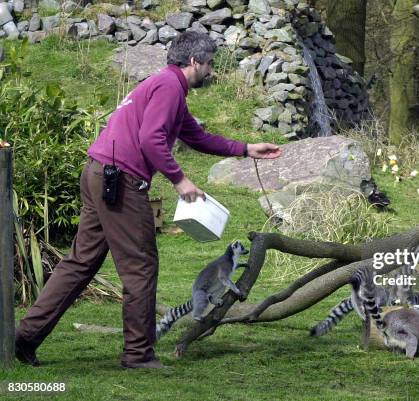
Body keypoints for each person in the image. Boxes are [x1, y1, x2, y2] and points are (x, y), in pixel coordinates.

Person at [14, 31, 281, 369]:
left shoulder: (165, 87)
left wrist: (245, 149)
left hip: (98, 172)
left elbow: (196, 136)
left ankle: (24, 337)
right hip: (120, 180)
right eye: (210, 64)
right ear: (194, 61)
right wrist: (180, 180)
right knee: (141, 266)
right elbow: (151, 139)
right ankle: (138, 355)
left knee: (81, 262)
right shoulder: (169, 88)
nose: (212, 71)